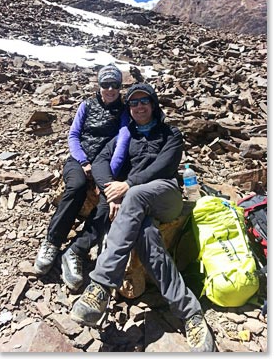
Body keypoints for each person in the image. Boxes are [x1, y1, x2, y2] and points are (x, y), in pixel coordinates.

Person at [70, 83, 215, 352]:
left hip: (166, 195)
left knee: (135, 195)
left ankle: (100, 285)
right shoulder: (127, 136)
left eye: (144, 101)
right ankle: (191, 313)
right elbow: (101, 161)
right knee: (146, 233)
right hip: (138, 205)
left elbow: (166, 165)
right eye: (133, 103)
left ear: (153, 104)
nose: (138, 107)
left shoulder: (170, 133)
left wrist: (128, 185)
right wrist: (109, 191)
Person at [34, 63, 130, 291]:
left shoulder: (125, 111)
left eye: (114, 84)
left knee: (107, 201)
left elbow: (122, 143)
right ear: (99, 85)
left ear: (120, 86)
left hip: (105, 164)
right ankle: (52, 241)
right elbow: (74, 135)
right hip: (79, 159)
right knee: (76, 186)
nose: (110, 89)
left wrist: (108, 176)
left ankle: (76, 249)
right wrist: (84, 162)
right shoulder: (86, 105)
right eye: (105, 84)